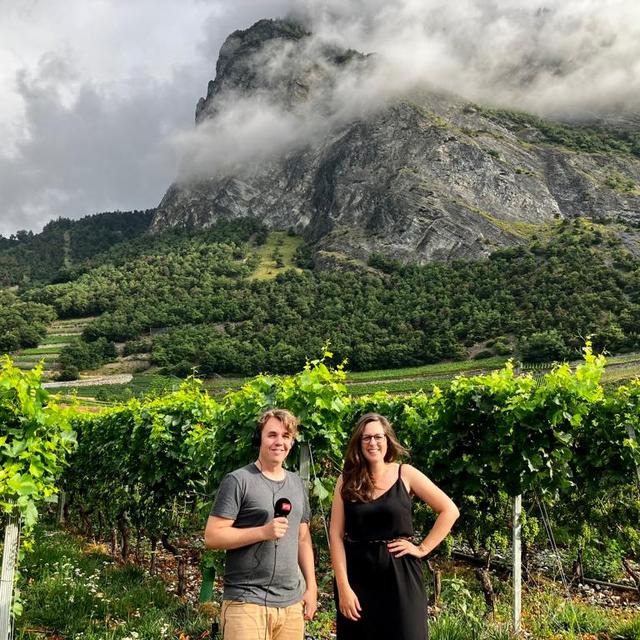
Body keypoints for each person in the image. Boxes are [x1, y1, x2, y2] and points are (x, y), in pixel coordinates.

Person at [330, 412, 459, 640]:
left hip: (401, 578)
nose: (373, 443)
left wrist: (422, 549)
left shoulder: (405, 473)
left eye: (378, 437)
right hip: (358, 579)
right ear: (358, 443)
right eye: (366, 438)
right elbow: (336, 535)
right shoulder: (346, 480)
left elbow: (449, 510)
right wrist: (343, 587)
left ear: (387, 440)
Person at [204, 408, 317, 640]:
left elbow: (303, 538)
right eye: (272, 435)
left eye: (286, 436)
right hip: (246, 602)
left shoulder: (297, 484)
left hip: (291, 604)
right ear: (260, 439)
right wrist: (262, 531)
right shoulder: (238, 481)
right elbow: (213, 537)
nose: (279, 442)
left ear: (292, 442)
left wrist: (311, 588)